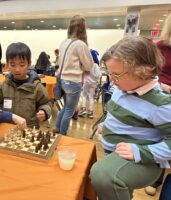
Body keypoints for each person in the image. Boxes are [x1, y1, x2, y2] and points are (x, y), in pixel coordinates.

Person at [90, 36, 171, 200]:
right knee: (117, 189)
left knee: (103, 176)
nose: (112, 80)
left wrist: (141, 151)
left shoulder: (159, 103)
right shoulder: (124, 87)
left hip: (143, 161)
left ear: (143, 71)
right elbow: (117, 111)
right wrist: (107, 124)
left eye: (117, 75)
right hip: (115, 153)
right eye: (110, 74)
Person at [0, 42, 51, 128]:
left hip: (29, 129)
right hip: (7, 128)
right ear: (7, 64)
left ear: (29, 64)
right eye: (12, 65)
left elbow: (46, 103)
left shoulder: (36, 86)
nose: (17, 69)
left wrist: (45, 111)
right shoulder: (4, 85)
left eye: (22, 65)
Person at [144, 13, 171, 196]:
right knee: (156, 135)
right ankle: (153, 176)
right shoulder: (160, 46)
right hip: (158, 96)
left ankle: (159, 179)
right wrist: (158, 85)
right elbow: (147, 71)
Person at [54, 15, 93, 135]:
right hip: (73, 81)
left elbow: (59, 62)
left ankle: (56, 127)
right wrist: (81, 66)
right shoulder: (81, 44)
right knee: (69, 110)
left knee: (65, 107)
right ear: (83, 29)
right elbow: (89, 66)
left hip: (62, 79)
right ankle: (62, 134)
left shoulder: (64, 42)